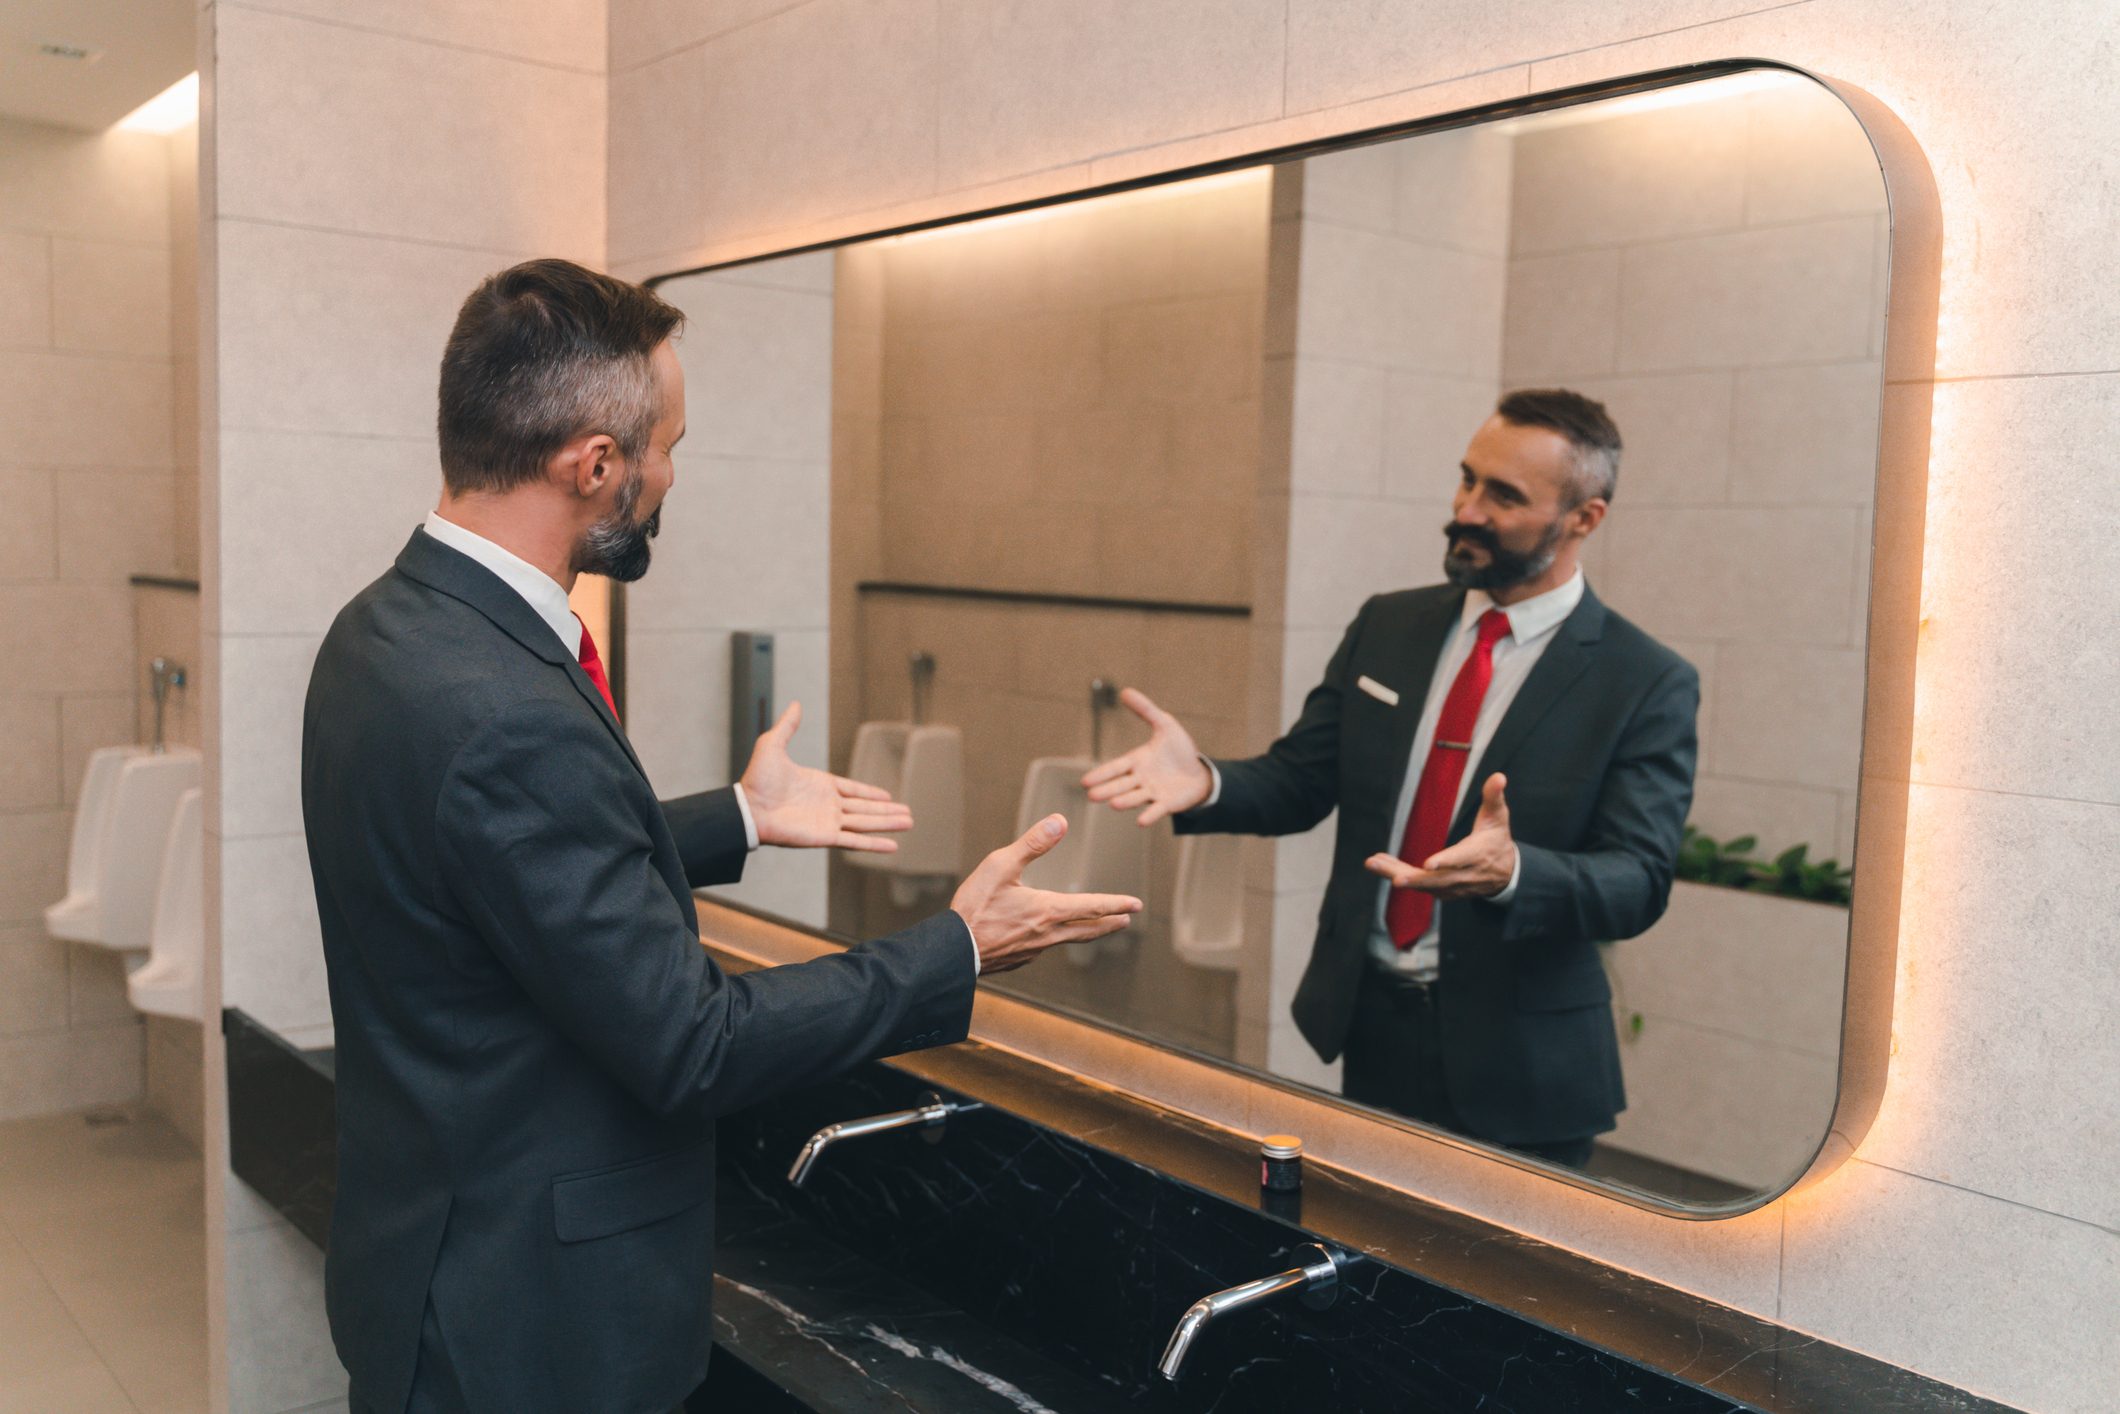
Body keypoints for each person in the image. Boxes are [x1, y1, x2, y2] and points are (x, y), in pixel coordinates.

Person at [301, 258, 1140, 1414]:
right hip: (532, 1322)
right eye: (667, 448)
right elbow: (691, 1043)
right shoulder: (505, 706)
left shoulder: (386, 630)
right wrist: (954, 948)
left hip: (426, 1256)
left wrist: (737, 816)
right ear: (595, 462)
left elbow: (501, 863)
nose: (667, 477)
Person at [1083, 389, 1697, 1168]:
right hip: (1371, 1023)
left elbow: (1637, 880)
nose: (1468, 509)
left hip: (1524, 1065)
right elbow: (1302, 781)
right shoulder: (1390, 625)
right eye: (1468, 479)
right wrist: (1206, 781)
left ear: (1586, 518)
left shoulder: (1642, 680)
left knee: (1492, 1287)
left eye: (1503, 496)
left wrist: (1516, 873)